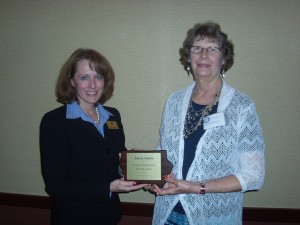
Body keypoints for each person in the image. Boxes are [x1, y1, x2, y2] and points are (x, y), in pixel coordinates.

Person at [150, 22, 265, 225]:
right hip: (167, 212)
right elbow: (164, 151)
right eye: (197, 48)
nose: (203, 55)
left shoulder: (241, 106)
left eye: (212, 49)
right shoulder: (174, 102)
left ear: (224, 58)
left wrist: (196, 187)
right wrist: (150, 175)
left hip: (213, 216)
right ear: (188, 57)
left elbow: (254, 175)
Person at [40, 48, 147, 225]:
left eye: (98, 77)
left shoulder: (112, 116)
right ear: (72, 81)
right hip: (74, 217)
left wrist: (127, 163)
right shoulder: (55, 121)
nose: (92, 85)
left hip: (109, 214)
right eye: (84, 77)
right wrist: (108, 187)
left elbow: (111, 164)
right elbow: (56, 185)